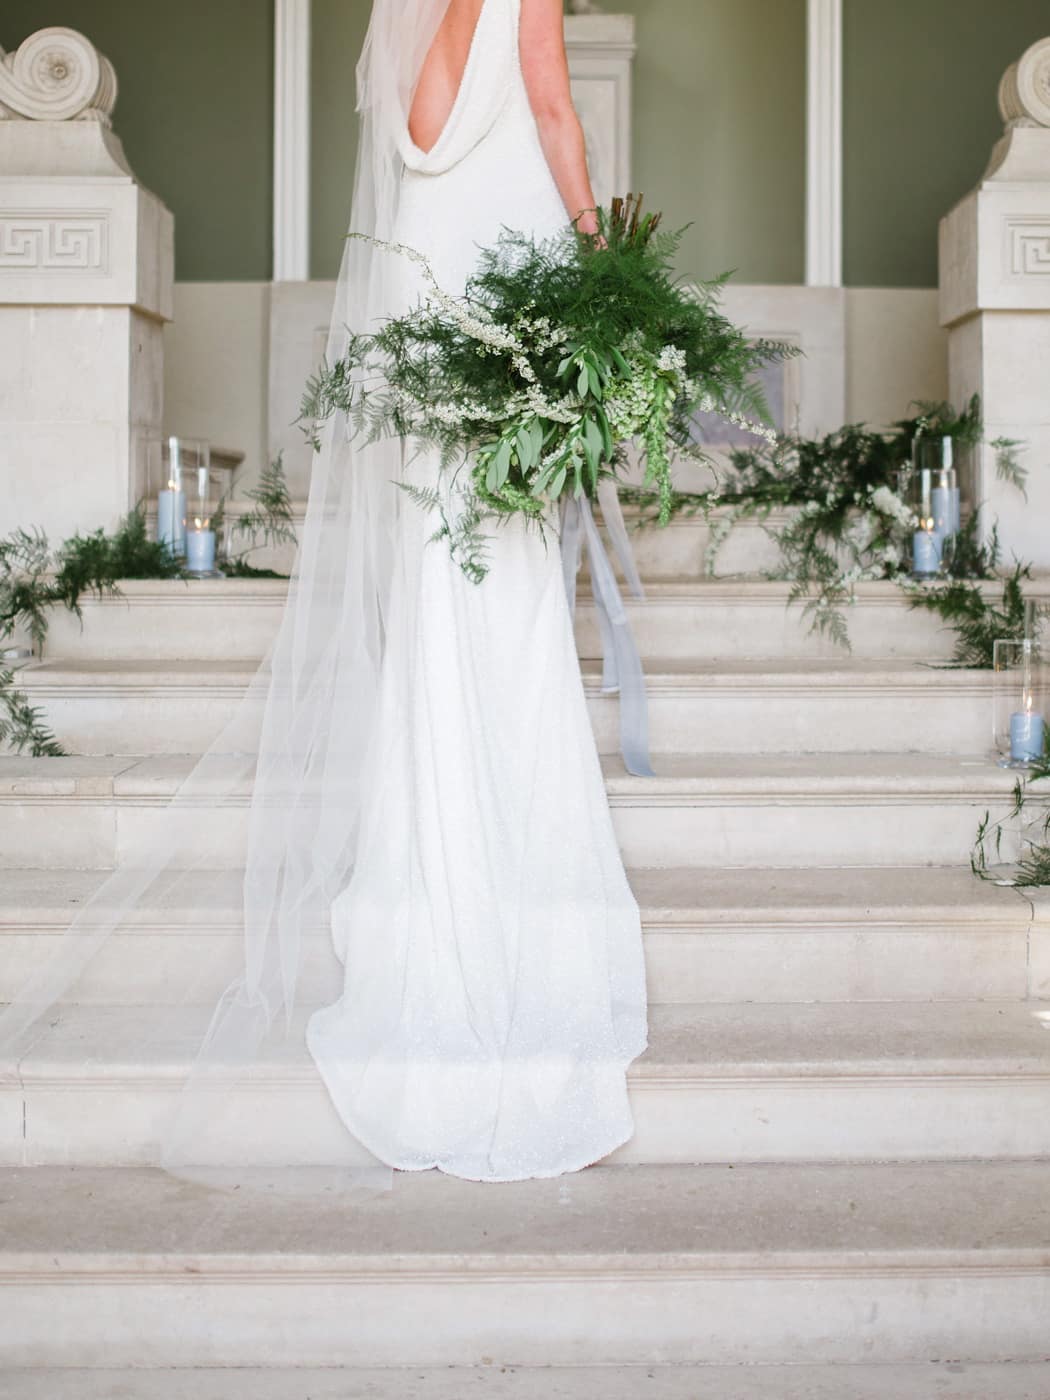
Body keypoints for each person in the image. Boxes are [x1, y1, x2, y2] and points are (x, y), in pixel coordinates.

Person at [0, 0, 648, 1188]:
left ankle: (441, 830)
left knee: (450, 571)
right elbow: (553, 109)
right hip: (506, 270)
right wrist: (602, 247)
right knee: (501, 575)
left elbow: (421, 129)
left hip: (440, 278)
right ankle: (498, 841)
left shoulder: (408, 20)